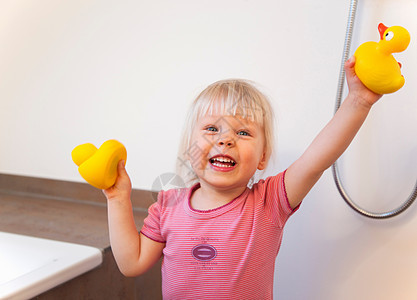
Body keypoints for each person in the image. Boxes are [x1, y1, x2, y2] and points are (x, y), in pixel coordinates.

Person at [103, 56, 382, 299]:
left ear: (262, 158)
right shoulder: (168, 205)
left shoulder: (269, 201)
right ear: (190, 150)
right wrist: (117, 199)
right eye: (212, 129)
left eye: (243, 132)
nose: (225, 140)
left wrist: (357, 101)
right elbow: (132, 263)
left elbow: (315, 161)